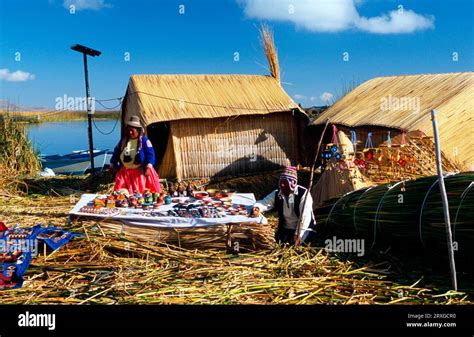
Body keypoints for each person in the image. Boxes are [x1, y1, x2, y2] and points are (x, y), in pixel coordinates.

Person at [251, 166, 316, 246]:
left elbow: (305, 217)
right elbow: (264, 202)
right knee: (277, 244)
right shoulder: (278, 194)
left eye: (285, 183)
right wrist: (257, 208)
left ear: (292, 183)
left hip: (304, 229)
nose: (282, 185)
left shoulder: (303, 194)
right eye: (281, 182)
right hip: (286, 229)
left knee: (296, 245)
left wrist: (298, 234)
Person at [109, 116, 161, 194]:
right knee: (121, 195)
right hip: (125, 173)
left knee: (140, 195)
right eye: (129, 130)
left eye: (132, 131)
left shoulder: (144, 141)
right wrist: (112, 164)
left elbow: (151, 155)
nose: (130, 132)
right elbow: (116, 152)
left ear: (138, 130)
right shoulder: (123, 141)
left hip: (139, 174)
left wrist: (149, 167)